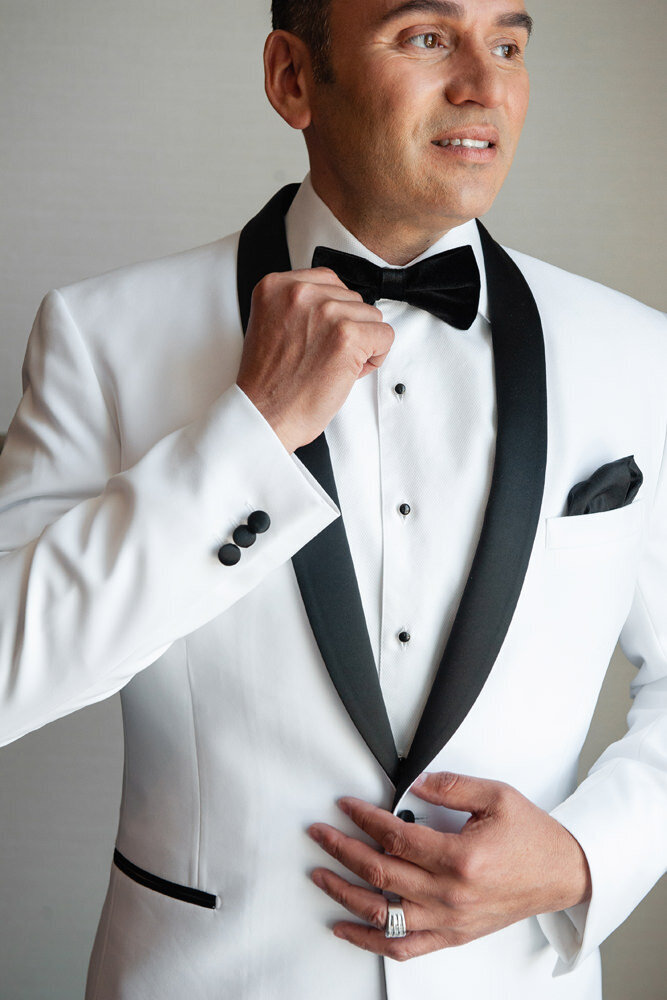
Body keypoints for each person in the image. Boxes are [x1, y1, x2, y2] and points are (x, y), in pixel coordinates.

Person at [0, 0, 665, 997]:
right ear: (293, 79)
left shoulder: (639, 353)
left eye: (510, 45)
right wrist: (247, 435)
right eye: (427, 38)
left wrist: (583, 857)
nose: (484, 84)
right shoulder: (100, 337)